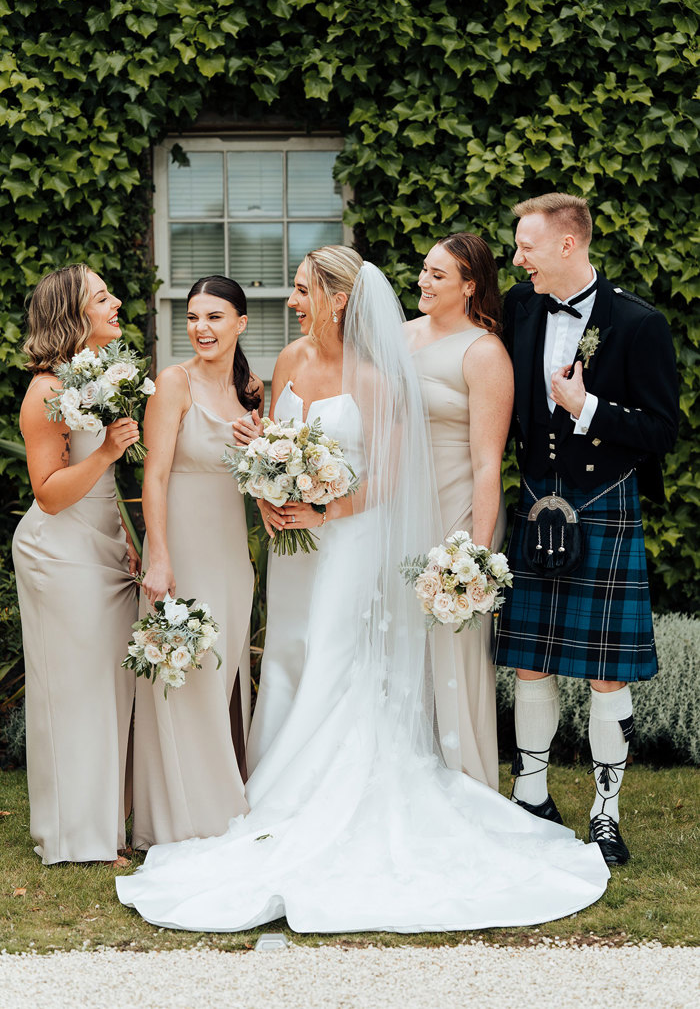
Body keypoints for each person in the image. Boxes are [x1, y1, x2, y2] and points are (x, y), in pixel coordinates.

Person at [117, 246, 609, 933]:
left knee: (332, 656)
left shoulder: (379, 377)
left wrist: (323, 510)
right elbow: (272, 445)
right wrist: (267, 493)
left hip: (347, 542)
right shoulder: (286, 361)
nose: (292, 301)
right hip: (290, 545)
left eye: (302, 290)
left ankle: (313, 796)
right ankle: (267, 794)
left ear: (339, 298)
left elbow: (391, 479)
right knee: (286, 651)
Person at [494, 193, 679, 865]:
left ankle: (606, 813)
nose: (519, 259)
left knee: (607, 673)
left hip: (604, 502)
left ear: (567, 244)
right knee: (529, 658)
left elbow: (663, 430)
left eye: (527, 247)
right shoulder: (520, 308)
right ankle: (531, 798)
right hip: (539, 497)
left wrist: (589, 408)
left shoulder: (639, 323)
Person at [12, 265, 139, 864]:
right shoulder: (46, 390)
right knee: (74, 691)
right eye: (101, 297)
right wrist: (111, 447)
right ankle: (72, 836)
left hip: (103, 547)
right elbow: (50, 492)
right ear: (73, 315)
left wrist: (129, 537)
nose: (116, 303)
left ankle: (107, 825)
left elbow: (103, 480)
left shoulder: (98, 374)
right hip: (58, 552)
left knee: (108, 686)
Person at [131, 275, 262, 849]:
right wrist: (159, 557)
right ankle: (180, 818)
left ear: (240, 323)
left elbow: (261, 487)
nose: (201, 328)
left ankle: (221, 803)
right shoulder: (172, 383)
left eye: (214, 316)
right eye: (192, 318)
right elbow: (152, 476)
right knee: (181, 676)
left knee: (220, 676)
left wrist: (260, 445)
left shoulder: (251, 395)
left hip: (232, 553)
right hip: (180, 548)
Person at [405, 233, 513, 789]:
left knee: (452, 645)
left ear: (470, 287)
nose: (423, 281)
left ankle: (463, 778)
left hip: (453, 518)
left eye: (438, 275)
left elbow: (487, 465)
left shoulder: (484, 352)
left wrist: (475, 550)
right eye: (424, 270)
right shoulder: (399, 338)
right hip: (397, 511)